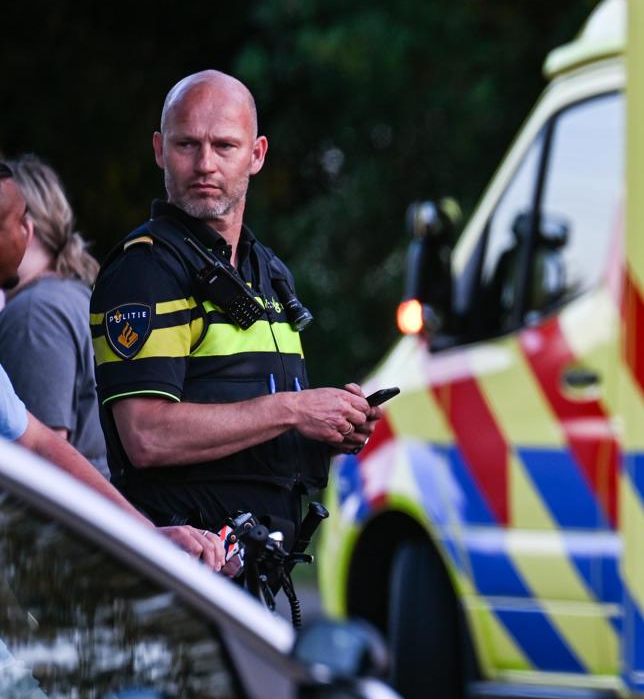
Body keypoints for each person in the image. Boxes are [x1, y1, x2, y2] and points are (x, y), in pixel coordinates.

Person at [89, 71, 378, 549]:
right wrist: (293, 410)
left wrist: (330, 426)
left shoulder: (267, 269)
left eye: (224, 146)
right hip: (179, 564)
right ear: (160, 150)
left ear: (257, 154)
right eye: (187, 145)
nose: (205, 164)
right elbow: (146, 436)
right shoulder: (146, 269)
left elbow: (253, 433)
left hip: (257, 566)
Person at [0, 165, 223, 566]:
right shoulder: (66, 298)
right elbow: (35, 454)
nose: (25, 230)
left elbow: (38, 450)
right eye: (18, 219)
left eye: (25, 218)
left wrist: (144, 536)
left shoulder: (36, 314)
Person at [0, 155, 109, 473]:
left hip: (70, 504)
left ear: (28, 228)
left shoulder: (35, 315)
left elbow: (37, 472)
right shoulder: (72, 295)